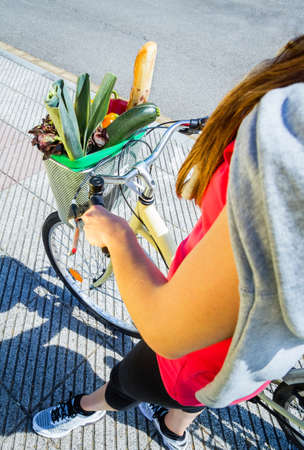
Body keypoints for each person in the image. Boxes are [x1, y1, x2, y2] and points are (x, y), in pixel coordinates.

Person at [32, 35, 304, 449]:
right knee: (198, 399)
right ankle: (172, 430)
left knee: (130, 381)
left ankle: (87, 407)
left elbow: (164, 333)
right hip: (241, 366)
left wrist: (119, 235)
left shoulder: (286, 161)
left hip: (194, 358)